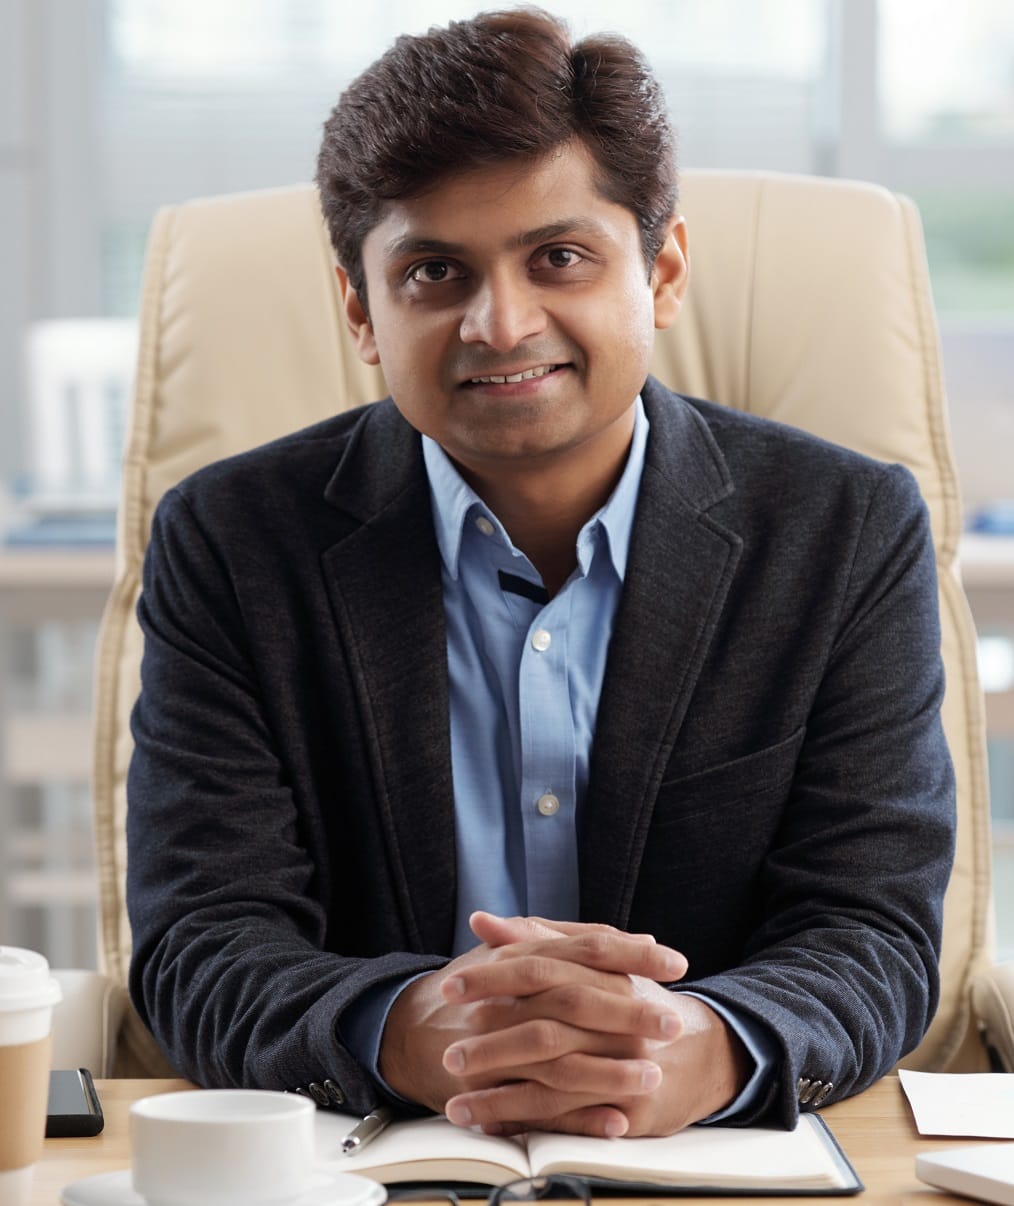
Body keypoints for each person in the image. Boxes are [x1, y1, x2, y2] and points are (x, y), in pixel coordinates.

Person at [126, 7, 955, 1140]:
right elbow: (200, 941)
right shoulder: (229, 540)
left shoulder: (848, 530)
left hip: (709, 1168)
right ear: (362, 311)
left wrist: (701, 1050)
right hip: (372, 1159)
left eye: (558, 258)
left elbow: (874, 933)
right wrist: (418, 1026)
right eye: (434, 272)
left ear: (661, 273)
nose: (499, 323)